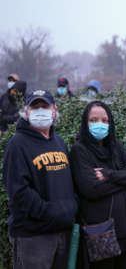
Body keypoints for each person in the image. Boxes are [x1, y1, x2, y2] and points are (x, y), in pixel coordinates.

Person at [2, 89, 78, 269]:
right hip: (33, 236)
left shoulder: (59, 142)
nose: (40, 110)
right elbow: (18, 191)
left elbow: (68, 182)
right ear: (26, 111)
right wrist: (49, 213)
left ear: (54, 110)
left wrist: (71, 207)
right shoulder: (17, 144)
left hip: (61, 232)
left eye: (45, 106)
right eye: (35, 106)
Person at [70, 101, 126, 269]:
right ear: (85, 122)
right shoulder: (79, 151)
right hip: (100, 235)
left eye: (105, 120)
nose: (100, 124)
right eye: (94, 120)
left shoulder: (116, 148)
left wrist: (109, 175)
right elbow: (91, 189)